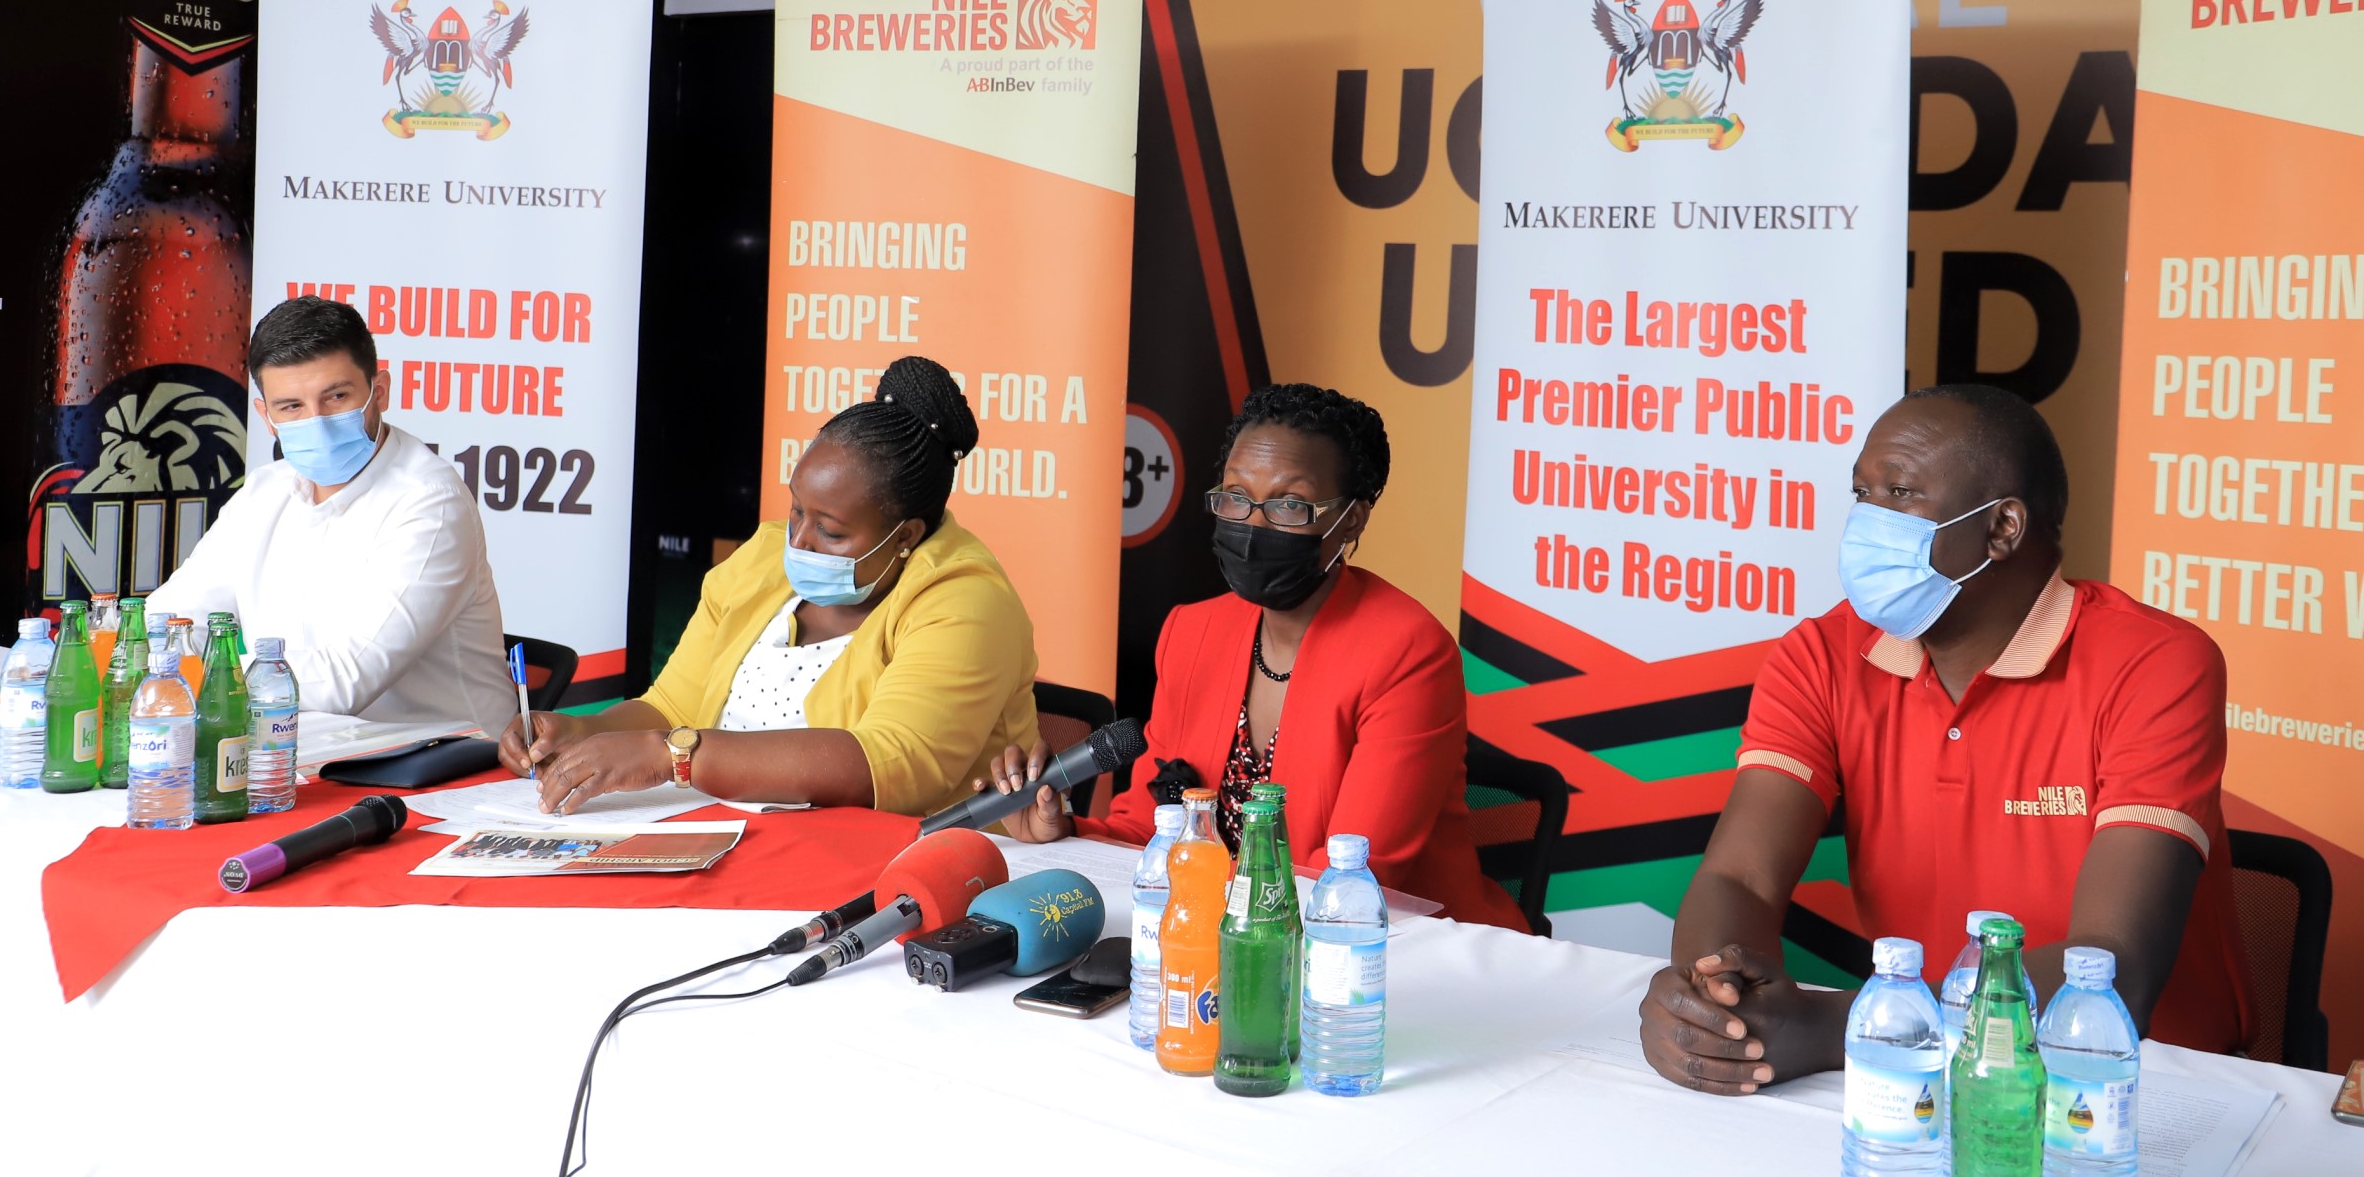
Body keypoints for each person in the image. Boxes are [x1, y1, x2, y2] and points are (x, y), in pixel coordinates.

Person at [1639, 383, 2251, 1095]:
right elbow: (1739, 876)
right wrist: (1720, 1011)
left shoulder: (2155, 664)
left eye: (1899, 493)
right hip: (1921, 1079)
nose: (1867, 521)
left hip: (2137, 1088)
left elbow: (2112, 967)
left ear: (2003, 527)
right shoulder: (1823, 654)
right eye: (1861, 493)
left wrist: (1841, 1026)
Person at [985, 382, 1525, 931]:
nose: (1253, 526)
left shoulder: (1407, 654)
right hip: (1216, 935)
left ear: (1353, 520)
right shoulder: (1193, 633)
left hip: (1388, 956)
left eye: (1291, 505)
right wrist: (1065, 832)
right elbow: (1149, 832)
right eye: (1236, 497)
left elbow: (1351, 880)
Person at [504, 357, 1040, 817]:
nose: (799, 542)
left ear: (906, 536)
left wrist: (673, 755)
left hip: (892, 866)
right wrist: (582, 736)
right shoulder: (764, 559)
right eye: (796, 510)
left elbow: (891, 766)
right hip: (728, 834)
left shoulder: (967, 603)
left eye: (830, 531)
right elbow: (672, 705)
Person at [151, 295, 513, 731]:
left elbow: (346, 680)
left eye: (336, 396)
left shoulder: (430, 501)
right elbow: (170, 622)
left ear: (378, 392)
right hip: (303, 748)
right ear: (267, 416)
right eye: (292, 407)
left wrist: (188, 671)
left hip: (444, 764)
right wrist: (170, 656)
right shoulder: (265, 491)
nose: (316, 421)